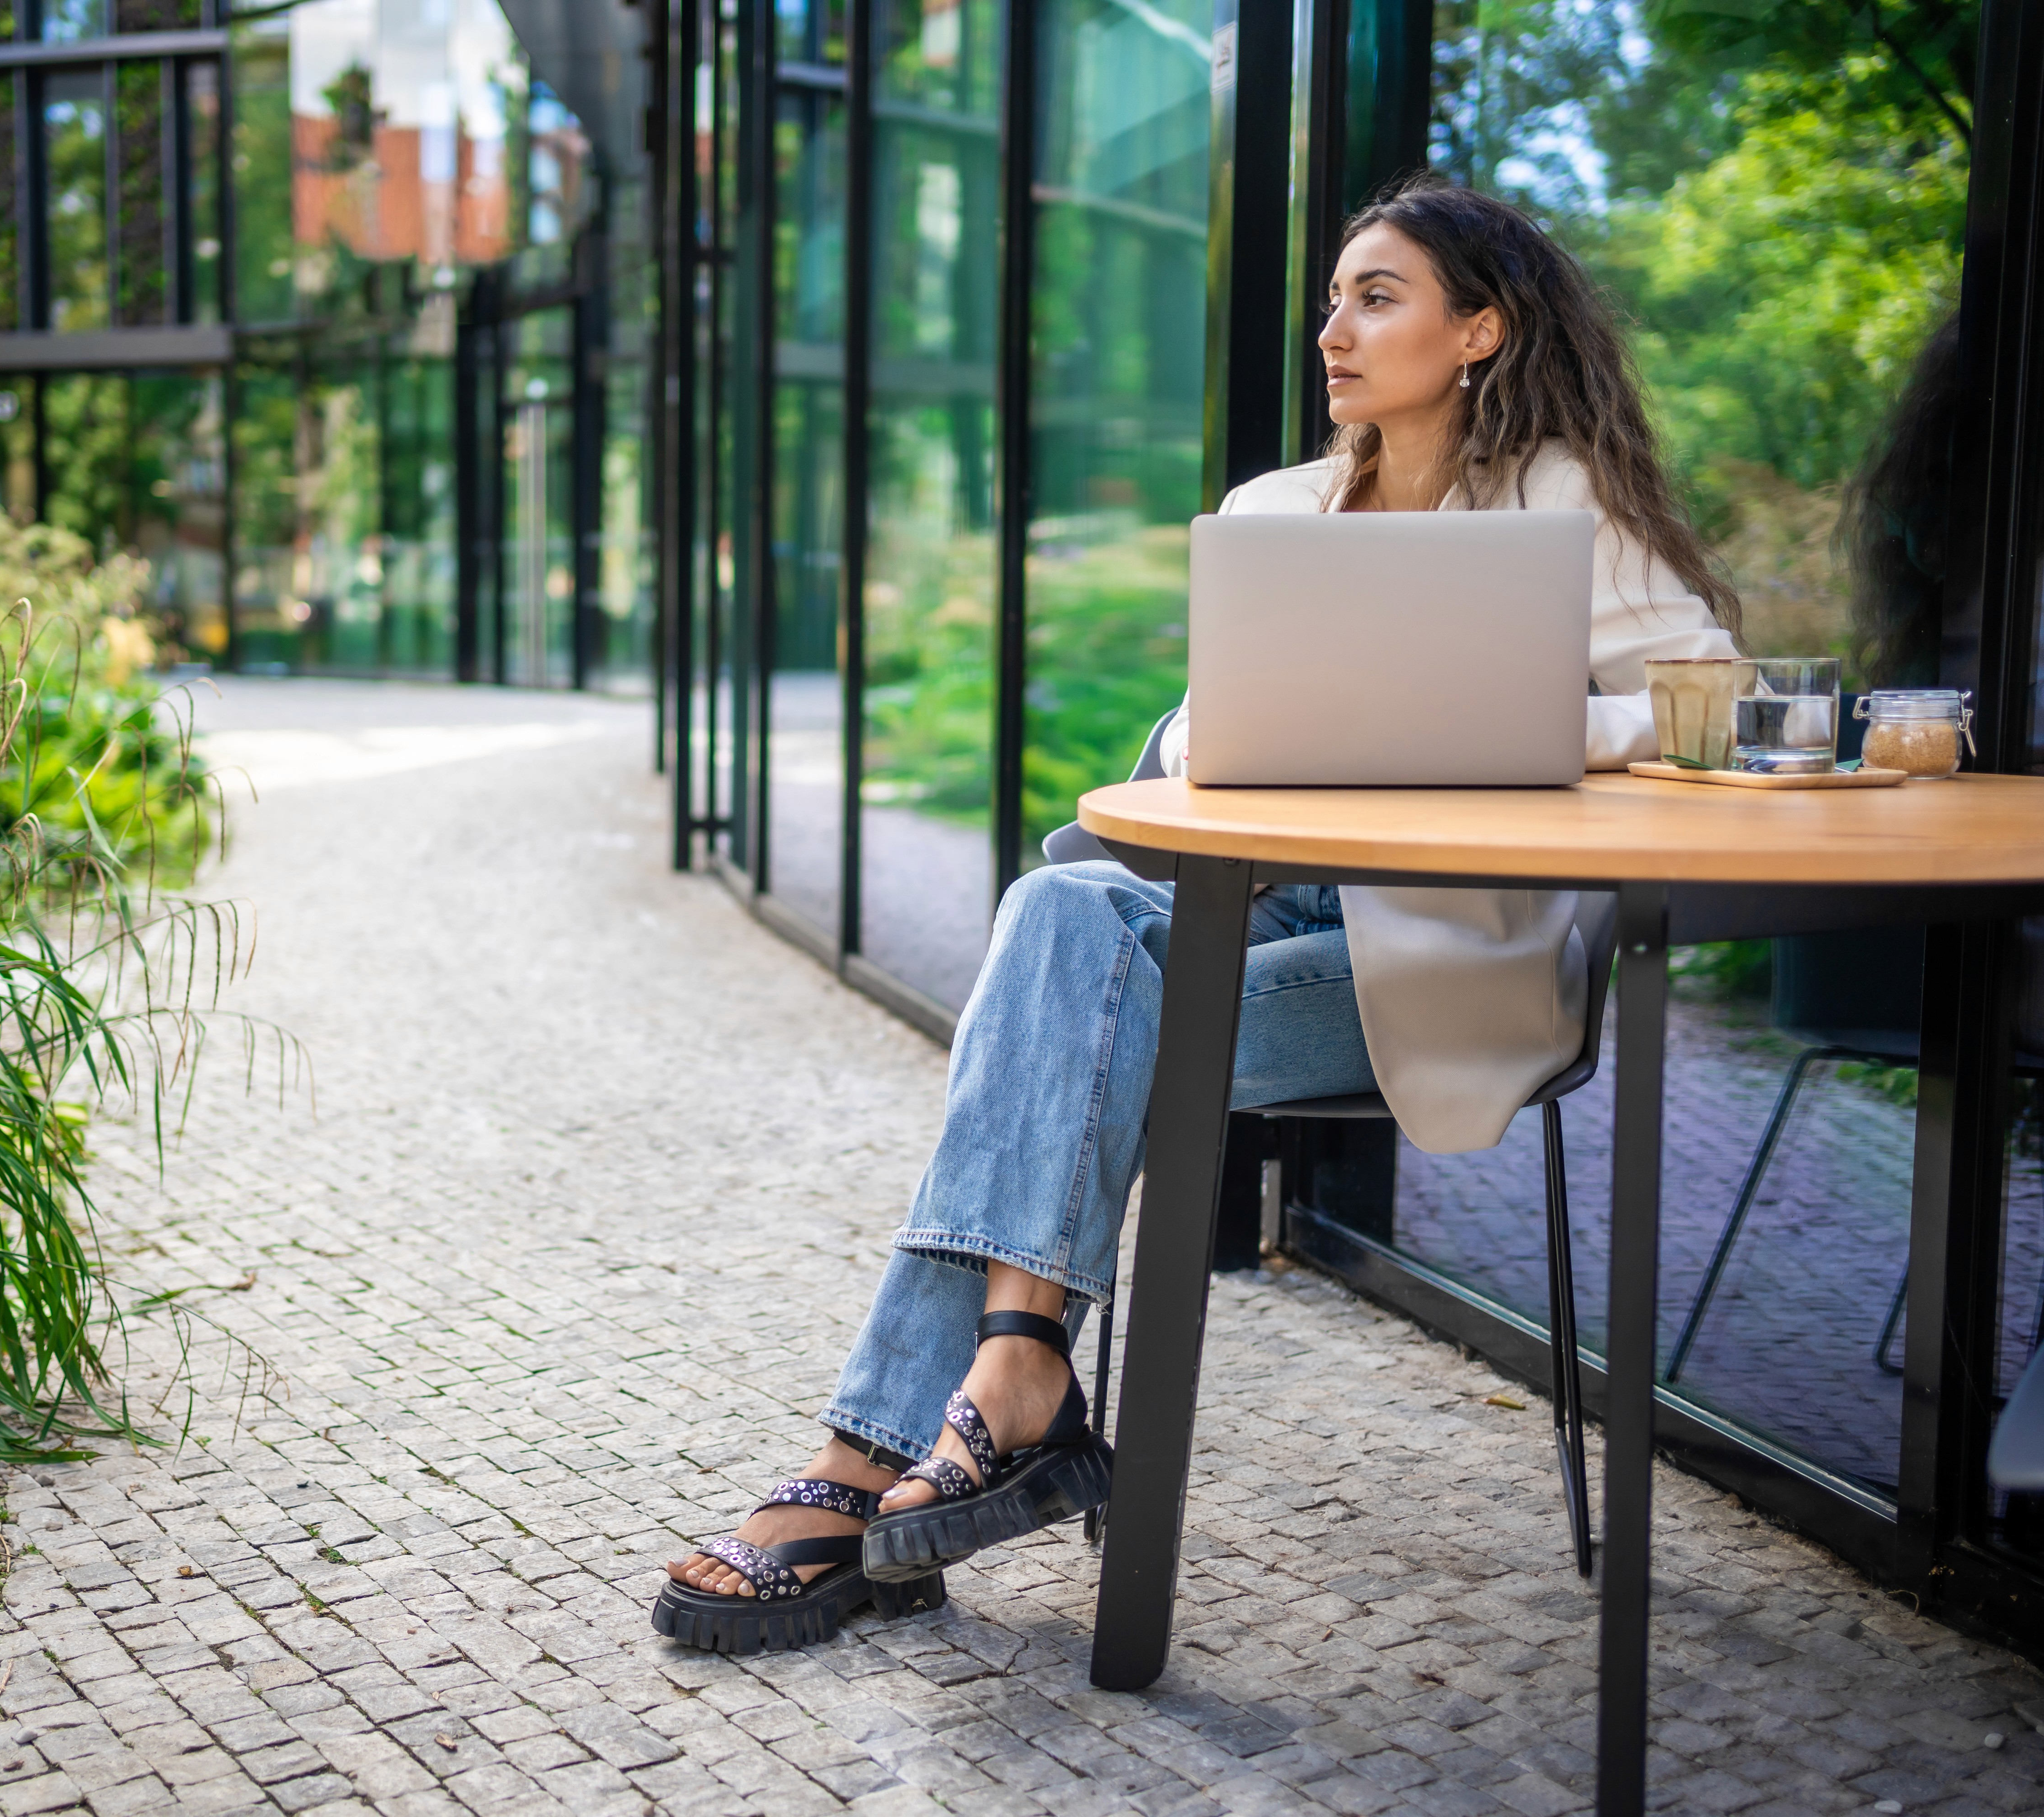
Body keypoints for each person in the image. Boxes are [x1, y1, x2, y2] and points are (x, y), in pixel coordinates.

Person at [651, 173, 1743, 1655]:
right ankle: (1015, 1375)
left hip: (1433, 969)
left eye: (1379, 298)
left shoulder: (1563, 504)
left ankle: (879, 1456)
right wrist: (1224, 718)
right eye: (1333, 300)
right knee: (1063, 916)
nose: (1334, 332)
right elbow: (1185, 757)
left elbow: (1713, 702)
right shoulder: (1278, 511)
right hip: (1247, 922)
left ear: (1479, 330)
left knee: (1057, 993)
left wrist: (1506, 714)